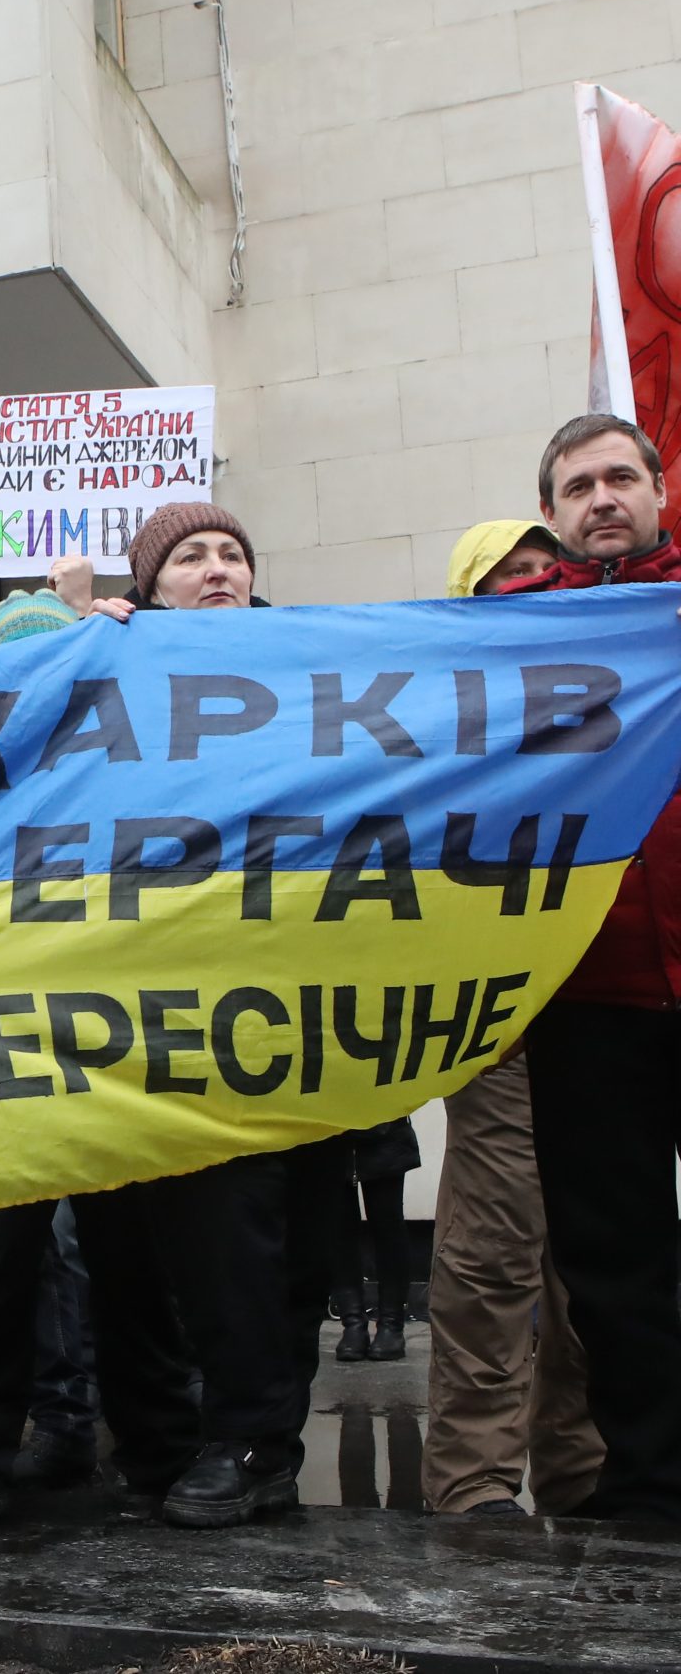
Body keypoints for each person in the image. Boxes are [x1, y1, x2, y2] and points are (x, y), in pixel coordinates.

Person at [0, 570, 202, 1516]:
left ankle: (152, 1444)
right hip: (5, 1030)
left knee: (128, 1251)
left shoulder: (130, 744)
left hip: (112, 1023)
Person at [89, 502, 344, 1529]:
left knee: (274, 1237)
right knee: (150, 1235)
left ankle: (251, 1443)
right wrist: (77, 655)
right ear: (148, 587)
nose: (216, 568)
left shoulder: (319, 678)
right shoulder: (104, 670)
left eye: (232, 553)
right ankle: (163, 1436)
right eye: (189, 556)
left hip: (293, 993)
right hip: (150, 995)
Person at [494, 416, 681, 1520]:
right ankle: (655, 1483)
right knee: (612, 1266)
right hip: (589, 995)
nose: (601, 496)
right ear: (552, 514)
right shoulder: (508, 638)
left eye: (621, 476)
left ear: (659, 491)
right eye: (577, 485)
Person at [420, 519, 601, 1517]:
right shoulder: (450, 708)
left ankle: (580, 1465)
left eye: (545, 569)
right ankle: (473, 1479)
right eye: (507, 576)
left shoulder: (619, 682)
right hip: (498, 1017)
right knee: (494, 1250)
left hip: (605, 1010)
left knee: (591, 1257)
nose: (532, 585)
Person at [329, 1120, 420, 1362]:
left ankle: (391, 1324)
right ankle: (353, 1324)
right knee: (339, 1226)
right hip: (329, 1131)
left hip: (384, 1126)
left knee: (387, 1222)